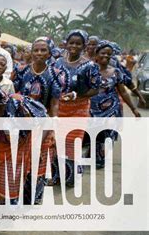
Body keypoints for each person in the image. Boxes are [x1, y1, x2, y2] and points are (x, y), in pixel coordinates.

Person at [0, 79, 49, 204]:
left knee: (31, 173)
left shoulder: (18, 103)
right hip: (5, 145)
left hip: (32, 138)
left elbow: (45, 120)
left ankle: (28, 200)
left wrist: (36, 147)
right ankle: (4, 202)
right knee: (2, 177)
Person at [52, 30, 101, 187]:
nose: (74, 46)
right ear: (66, 43)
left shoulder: (89, 65)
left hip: (78, 109)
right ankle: (55, 175)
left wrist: (77, 95)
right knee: (56, 141)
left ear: (84, 46)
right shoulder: (57, 63)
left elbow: (96, 88)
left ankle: (70, 177)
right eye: (71, 42)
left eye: (78, 43)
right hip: (59, 108)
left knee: (72, 142)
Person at [90, 41, 140, 168]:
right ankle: (93, 156)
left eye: (109, 54)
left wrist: (134, 108)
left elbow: (123, 91)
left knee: (108, 133)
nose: (105, 56)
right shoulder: (88, 70)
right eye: (103, 53)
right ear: (96, 54)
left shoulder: (116, 72)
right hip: (93, 108)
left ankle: (101, 159)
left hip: (112, 108)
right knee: (95, 133)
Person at [12, 37, 62, 116]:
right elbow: (12, 92)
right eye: (36, 50)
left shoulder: (55, 74)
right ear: (31, 53)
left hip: (44, 118)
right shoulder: (21, 70)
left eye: (43, 50)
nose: (39, 53)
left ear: (49, 54)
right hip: (22, 116)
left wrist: (54, 121)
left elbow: (54, 102)